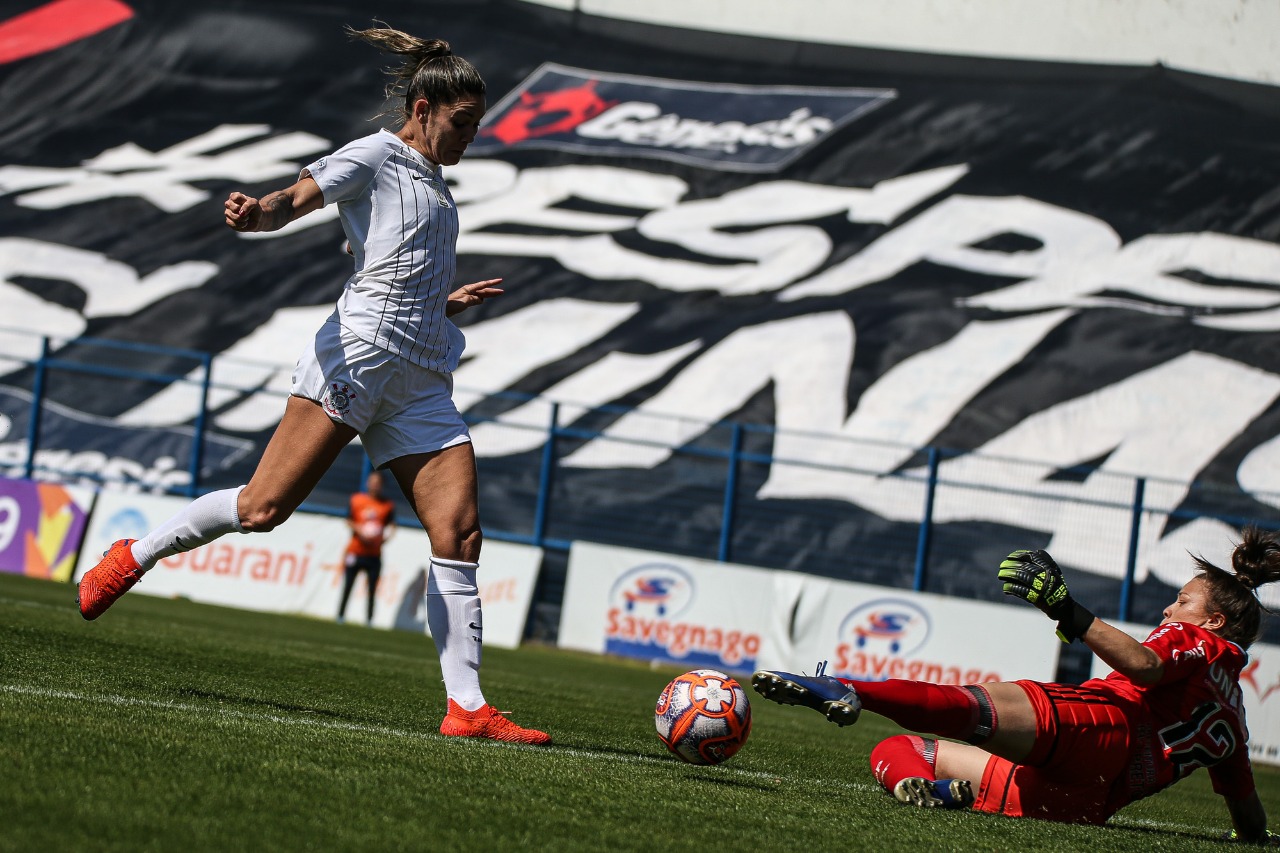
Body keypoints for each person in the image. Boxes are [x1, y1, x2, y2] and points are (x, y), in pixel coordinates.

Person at [76, 25, 550, 745]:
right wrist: (258, 215)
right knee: (263, 508)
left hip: (421, 375)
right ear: (422, 110)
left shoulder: (436, 186)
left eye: (477, 125)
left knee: (460, 532)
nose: (470, 137)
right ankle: (133, 555)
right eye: (462, 123)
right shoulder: (377, 155)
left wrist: (441, 302)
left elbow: (394, 268)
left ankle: (467, 707)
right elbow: (297, 198)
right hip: (357, 358)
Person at [753, 527, 1280, 841]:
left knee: (973, 705)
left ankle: (849, 689)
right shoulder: (1233, 716)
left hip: (1103, 730)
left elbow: (1144, 665)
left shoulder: (1200, 640)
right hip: (1079, 804)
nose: (1169, 609)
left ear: (1213, 621)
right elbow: (1248, 814)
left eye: (1182, 601)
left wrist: (1066, 609)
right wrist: (1253, 837)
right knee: (902, 749)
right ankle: (930, 789)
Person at [337, 470, 397, 626]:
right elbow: (349, 520)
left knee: (372, 589)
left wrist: (384, 539)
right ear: (367, 483)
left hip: (374, 555)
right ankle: (340, 617)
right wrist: (360, 530)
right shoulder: (356, 500)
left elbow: (392, 525)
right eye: (372, 482)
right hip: (355, 551)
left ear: (382, 485)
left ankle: (369, 621)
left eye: (378, 483)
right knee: (348, 585)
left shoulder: (387, 505)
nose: (374, 485)